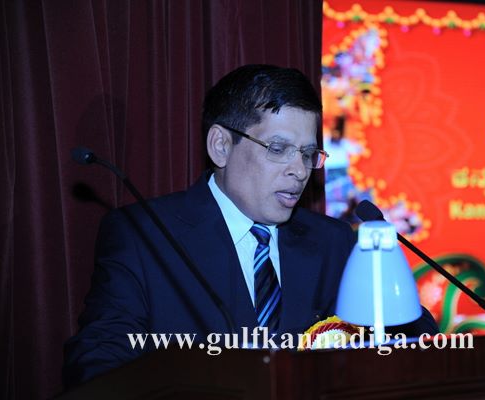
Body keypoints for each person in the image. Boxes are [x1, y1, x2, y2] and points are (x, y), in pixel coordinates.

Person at [63, 64, 438, 388]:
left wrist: (390, 284)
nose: (299, 170)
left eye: (309, 154)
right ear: (221, 145)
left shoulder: (333, 242)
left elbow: (417, 345)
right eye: (278, 149)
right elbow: (98, 361)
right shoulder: (144, 235)